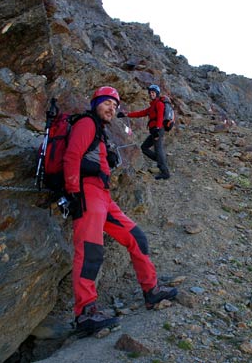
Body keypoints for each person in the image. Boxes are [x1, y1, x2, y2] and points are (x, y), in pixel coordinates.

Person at [63, 86, 178, 334]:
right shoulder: (86, 123)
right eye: (107, 103)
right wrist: (73, 192)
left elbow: (92, 158)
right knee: (90, 252)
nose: (111, 108)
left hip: (103, 197)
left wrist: (109, 162)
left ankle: (152, 291)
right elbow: (72, 156)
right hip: (87, 194)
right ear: (96, 103)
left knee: (137, 237)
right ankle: (85, 314)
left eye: (115, 106)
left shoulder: (99, 130)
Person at [117, 84, 170, 180]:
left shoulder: (159, 104)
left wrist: (157, 129)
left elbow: (160, 117)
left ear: (157, 93)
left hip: (157, 130)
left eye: (153, 92)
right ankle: (161, 160)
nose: (151, 94)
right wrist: (126, 115)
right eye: (150, 93)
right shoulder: (152, 106)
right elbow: (140, 113)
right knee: (144, 147)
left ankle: (165, 172)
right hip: (154, 130)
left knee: (158, 150)